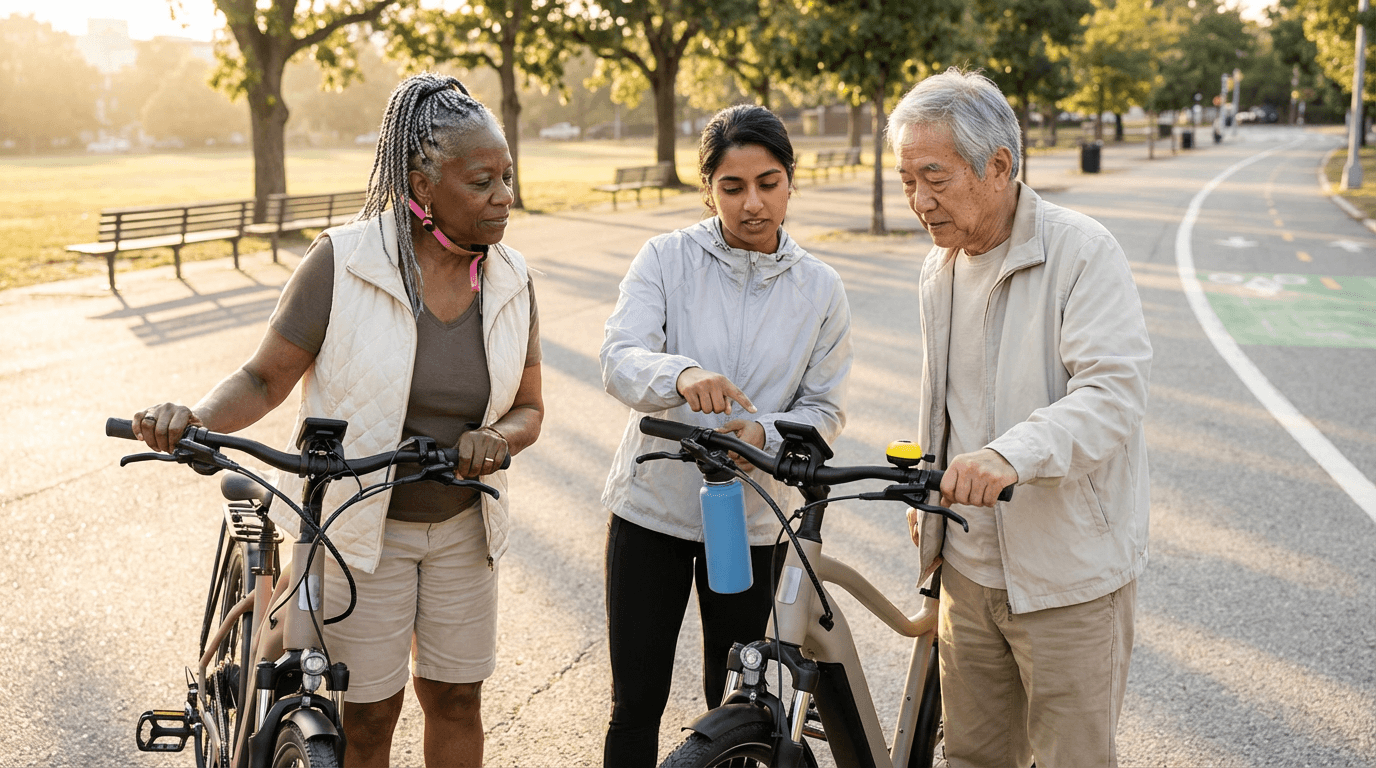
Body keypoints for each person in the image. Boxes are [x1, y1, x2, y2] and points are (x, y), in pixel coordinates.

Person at [131, 73, 543, 768]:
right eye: (483, 182)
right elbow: (265, 377)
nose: (506, 197)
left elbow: (529, 407)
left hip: (463, 533)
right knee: (370, 715)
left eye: (508, 176)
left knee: (456, 701)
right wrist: (195, 418)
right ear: (422, 182)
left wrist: (498, 439)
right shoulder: (344, 262)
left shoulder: (512, 278)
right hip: (358, 532)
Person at [890, 68, 1151, 768]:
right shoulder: (938, 267)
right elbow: (946, 399)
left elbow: (1113, 394)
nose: (919, 200)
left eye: (934, 177)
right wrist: (928, 486)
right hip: (967, 572)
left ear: (999, 165)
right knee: (973, 759)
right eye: (907, 179)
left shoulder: (1082, 252)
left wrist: (1010, 455)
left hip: (1066, 579)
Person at [599, 104, 853, 767]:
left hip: (750, 518)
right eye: (732, 187)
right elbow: (619, 358)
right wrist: (681, 374)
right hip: (652, 510)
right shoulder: (664, 258)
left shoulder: (821, 289)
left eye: (768, 183)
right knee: (637, 703)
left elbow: (824, 406)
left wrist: (764, 430)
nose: (752, 204)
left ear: (790, 180)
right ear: (707, 187)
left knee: (736, 701)